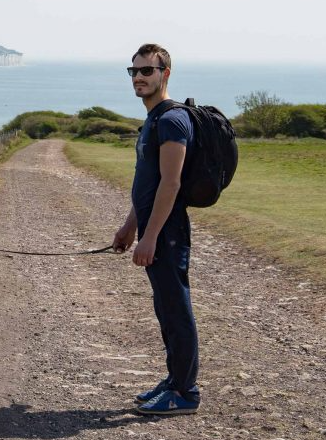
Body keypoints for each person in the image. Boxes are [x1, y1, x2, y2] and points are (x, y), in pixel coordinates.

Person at [112, 43, 201, 415]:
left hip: (168, 230)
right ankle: (174, 379)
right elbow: (147, 183)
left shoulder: (171, 120)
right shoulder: (152, 119)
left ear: (166, 73)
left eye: (147, 70)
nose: (139, 77)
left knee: (176, 308)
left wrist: (150, 237)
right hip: (152, 226)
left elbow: (170, 184)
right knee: (164, 307)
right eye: (133, 71)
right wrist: (130, 226)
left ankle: (185, 392)